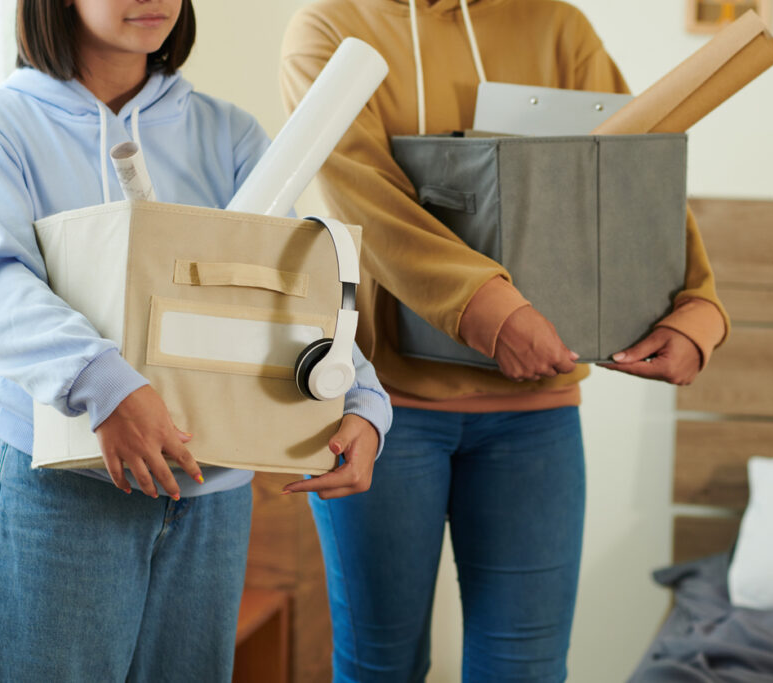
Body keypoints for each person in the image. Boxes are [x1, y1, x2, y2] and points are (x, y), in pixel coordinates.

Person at [278, 0, 730, 681]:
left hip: (533, 417)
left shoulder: (559, 27)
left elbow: (634, 167)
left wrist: (697, 307)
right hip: (376, 408)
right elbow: (360, 194)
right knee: (380, 666)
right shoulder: (329, 26)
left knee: (525, 670)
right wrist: (490, 309)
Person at [0, 1, 392, 681]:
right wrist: (108, 386)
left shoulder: (228, 134)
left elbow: (293, 281)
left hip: (208, 493)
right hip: (61, 493)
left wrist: (362, 397)